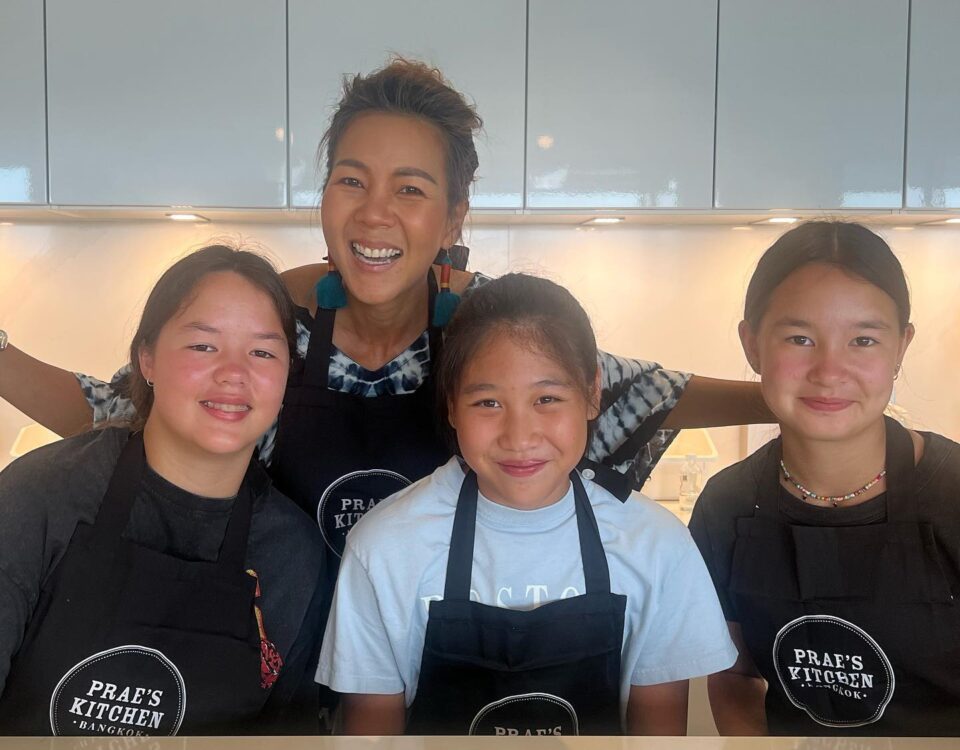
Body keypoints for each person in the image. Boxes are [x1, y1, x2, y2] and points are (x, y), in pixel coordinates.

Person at [0, 58, 769, 593]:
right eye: (351, 181)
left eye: (410, 188)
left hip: (439, 673)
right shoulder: (276, 327)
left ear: (452, 215)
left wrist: (800, 399)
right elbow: (122, 408)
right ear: (324, 195)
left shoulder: (490, 329)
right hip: (274, 658)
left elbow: (638, 391)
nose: (375, 213)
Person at [317, 273, 738, 736]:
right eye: (488, 403)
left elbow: (657, 737)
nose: (519, 437)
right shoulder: (384, 547)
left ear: (592, 393)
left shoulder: (657, 546)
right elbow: (372, 737)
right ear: (452, 405)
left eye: (547, 398)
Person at [0, 246, 326, 736]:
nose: (234, 374)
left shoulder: (292, 553)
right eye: (203, 346)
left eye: (262, 351)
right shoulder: (39, 496)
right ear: (144, 359)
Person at [688, 221, 960, 736]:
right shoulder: (727, 505)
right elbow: (735, 676)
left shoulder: (952, 494)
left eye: (863, 339)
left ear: (901, 347)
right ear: (751, 344)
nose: (830, 370)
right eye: (799, 338)